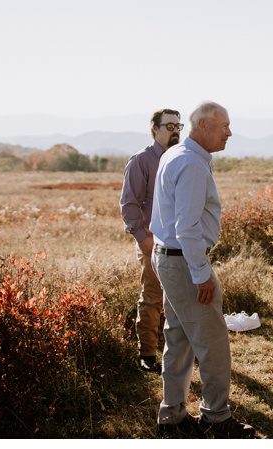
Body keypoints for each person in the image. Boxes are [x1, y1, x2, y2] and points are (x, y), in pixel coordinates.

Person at [148, 101, 255, 439]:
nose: (229, 132)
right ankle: (216, 417)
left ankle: (173, 417)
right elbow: (188, 226)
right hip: (183, 260)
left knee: (178, 338)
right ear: (205, 125)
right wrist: (200, 273)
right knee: (212, 342)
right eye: (225, 125)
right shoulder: (191, 163)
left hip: (169, 257)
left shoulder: (176, 154)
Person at [120, 108, 181, 373]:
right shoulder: (141, 161)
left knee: (180, 297)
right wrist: (143, 240)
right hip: (153, 241)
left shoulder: (181, 159)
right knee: (153, 297)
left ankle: (179, 349)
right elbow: (129, 204)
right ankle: (147, 354)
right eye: (169, 126)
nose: (175, 130)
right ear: (154, 129)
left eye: (178, 125)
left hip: (180, 240)